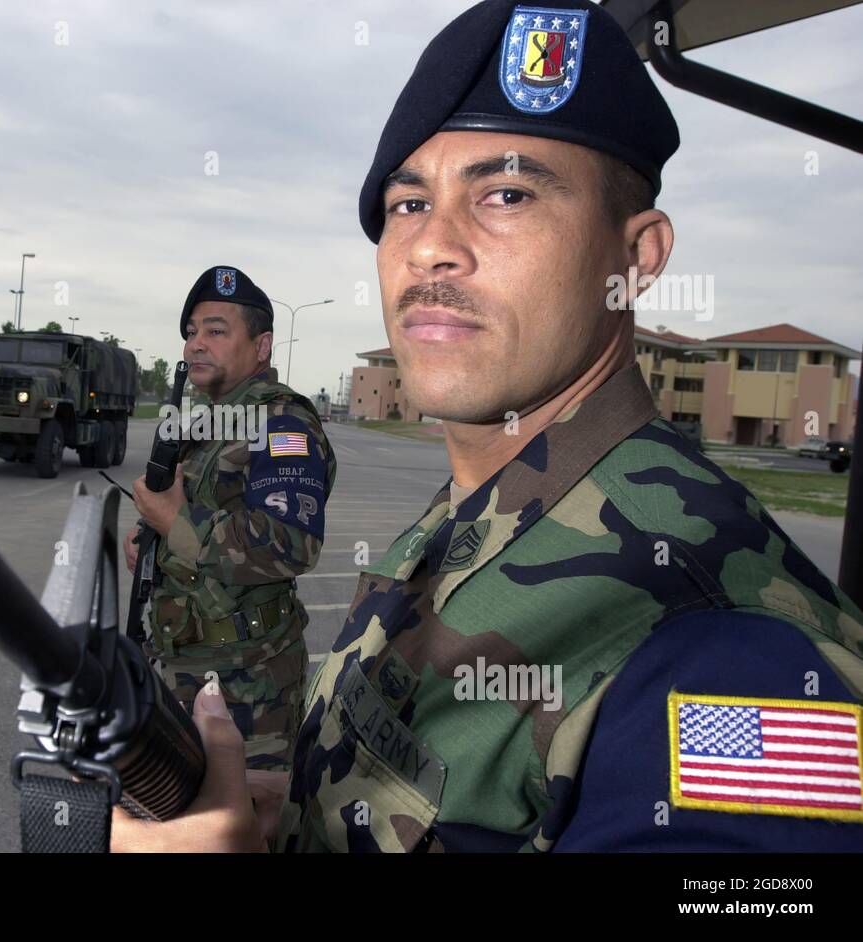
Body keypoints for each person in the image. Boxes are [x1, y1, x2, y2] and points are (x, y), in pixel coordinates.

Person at [113, 0, 863, 852]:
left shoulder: (720, 658)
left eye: (506, 194)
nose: (433, 246)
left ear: (638, 257)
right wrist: (297, 814)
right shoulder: (483, 509)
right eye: (406, 204)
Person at [126, 265, 338, 772]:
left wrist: (176, 522)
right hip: (185, 664)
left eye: (216, 331)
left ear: (261, 347)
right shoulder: (212, 421)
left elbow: (291, 544)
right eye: (192, 333)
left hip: (248, 687)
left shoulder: (282, 423)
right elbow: (202, 509)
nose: (196, 344)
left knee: (243, 829)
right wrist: (153, 534)